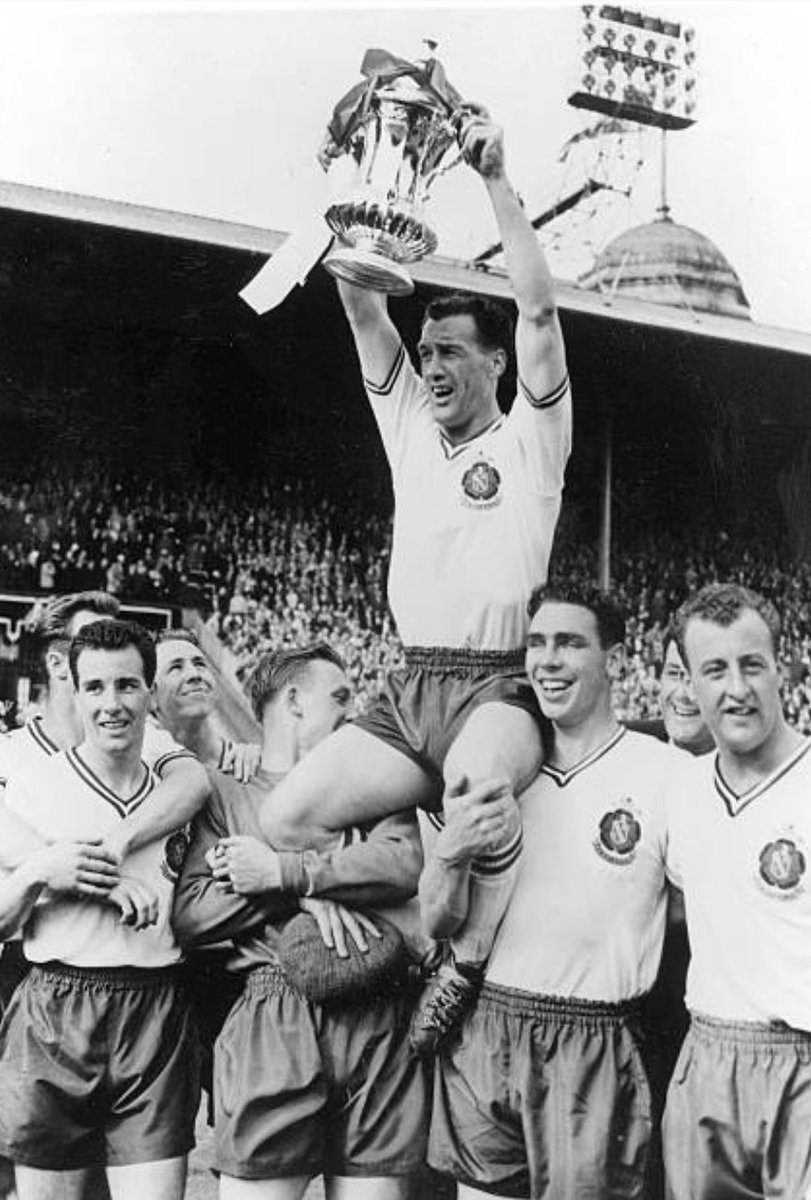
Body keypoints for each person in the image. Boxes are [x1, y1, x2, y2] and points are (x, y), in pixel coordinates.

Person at [261, 104, 571, 1052]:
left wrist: (492, 178)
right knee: (286, 815)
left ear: (492, 363)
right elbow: (362, 301)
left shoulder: (531, 439)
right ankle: (383, 924)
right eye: (424, 351)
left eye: (448, 352)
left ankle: (463, 963)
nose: (429, 366)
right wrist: (353, 186)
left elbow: (542, 314)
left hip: (491, 681)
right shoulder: (409, 430)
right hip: (408, 686)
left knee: (480, 785)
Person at [425, 581, 674, 1199]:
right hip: (488, 1027)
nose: (548, 660)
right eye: (536, 644)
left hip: (593, 1038)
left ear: (613, 660)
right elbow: (438, 922)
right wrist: (451, 856)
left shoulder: (663, 773)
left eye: (569, 643)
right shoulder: (500, 770)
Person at [172, 643, 428, 1200]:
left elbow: (404, 862)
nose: (351, 709)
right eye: (338, 696)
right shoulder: (225, 789)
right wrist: (299, 895)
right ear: (292, 701)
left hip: (376, 1009)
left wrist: (286, 873)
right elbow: (192, 914)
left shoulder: (374, 783)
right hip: (273, 1007)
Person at [0, 619, 201, 1200]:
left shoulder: (174, 786)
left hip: (155, 1009)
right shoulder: (33, 787)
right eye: (95, 688)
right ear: (74, 690)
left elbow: (201, 783)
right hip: (56, 1008)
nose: (111, 704)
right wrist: (43, 871)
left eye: (127, 686)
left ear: (150, 691)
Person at [663, 583, 811, 1200]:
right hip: (707, 1058)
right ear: (689, 685)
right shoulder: (678, 791)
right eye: (714, 670)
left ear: (784, 668)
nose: (737, 689)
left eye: (752, 665)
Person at [152, 628, 261, 778]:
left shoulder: (249, 768)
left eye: (200, 664)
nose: (194, 674)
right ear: (151, 697)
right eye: (175, 667)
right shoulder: (142, 774)